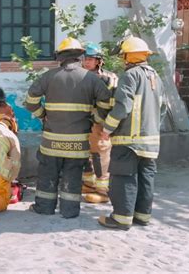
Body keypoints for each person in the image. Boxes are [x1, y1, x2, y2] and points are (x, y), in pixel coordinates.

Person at [25, 37, 111, 218]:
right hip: (78, 143)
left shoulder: (48, 76)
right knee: (73, 175)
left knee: (48, 173)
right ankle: (69, 211)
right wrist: (95, 118)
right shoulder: (91, 79)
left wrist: (43, 115)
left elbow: (30, 101)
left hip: (51, 142)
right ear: (79, 56)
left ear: (60, 57)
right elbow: (106, 102)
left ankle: (44, 208)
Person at [98, 36, 167, 231]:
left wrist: (107, 129)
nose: (122, 60)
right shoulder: (156, 76)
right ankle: (142, 216)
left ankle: (121, 218)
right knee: (146, 179)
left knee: (123, 177)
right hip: (151, 142)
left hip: (129, 142)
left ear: (129, 56)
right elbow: (162, 109)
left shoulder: (130, 75)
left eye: (123, 56)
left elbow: (122, 107)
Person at [81, 42, 119, 204]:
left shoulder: (110, 77)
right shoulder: (80, 76)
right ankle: (89, 184)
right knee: (86, 154)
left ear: (99, 61)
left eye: (91, 59)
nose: (87, 62)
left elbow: (112, 98)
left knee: (100, 154)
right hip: (83, 122)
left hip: (100, 123)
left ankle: (103, 190)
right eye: (85, 59)